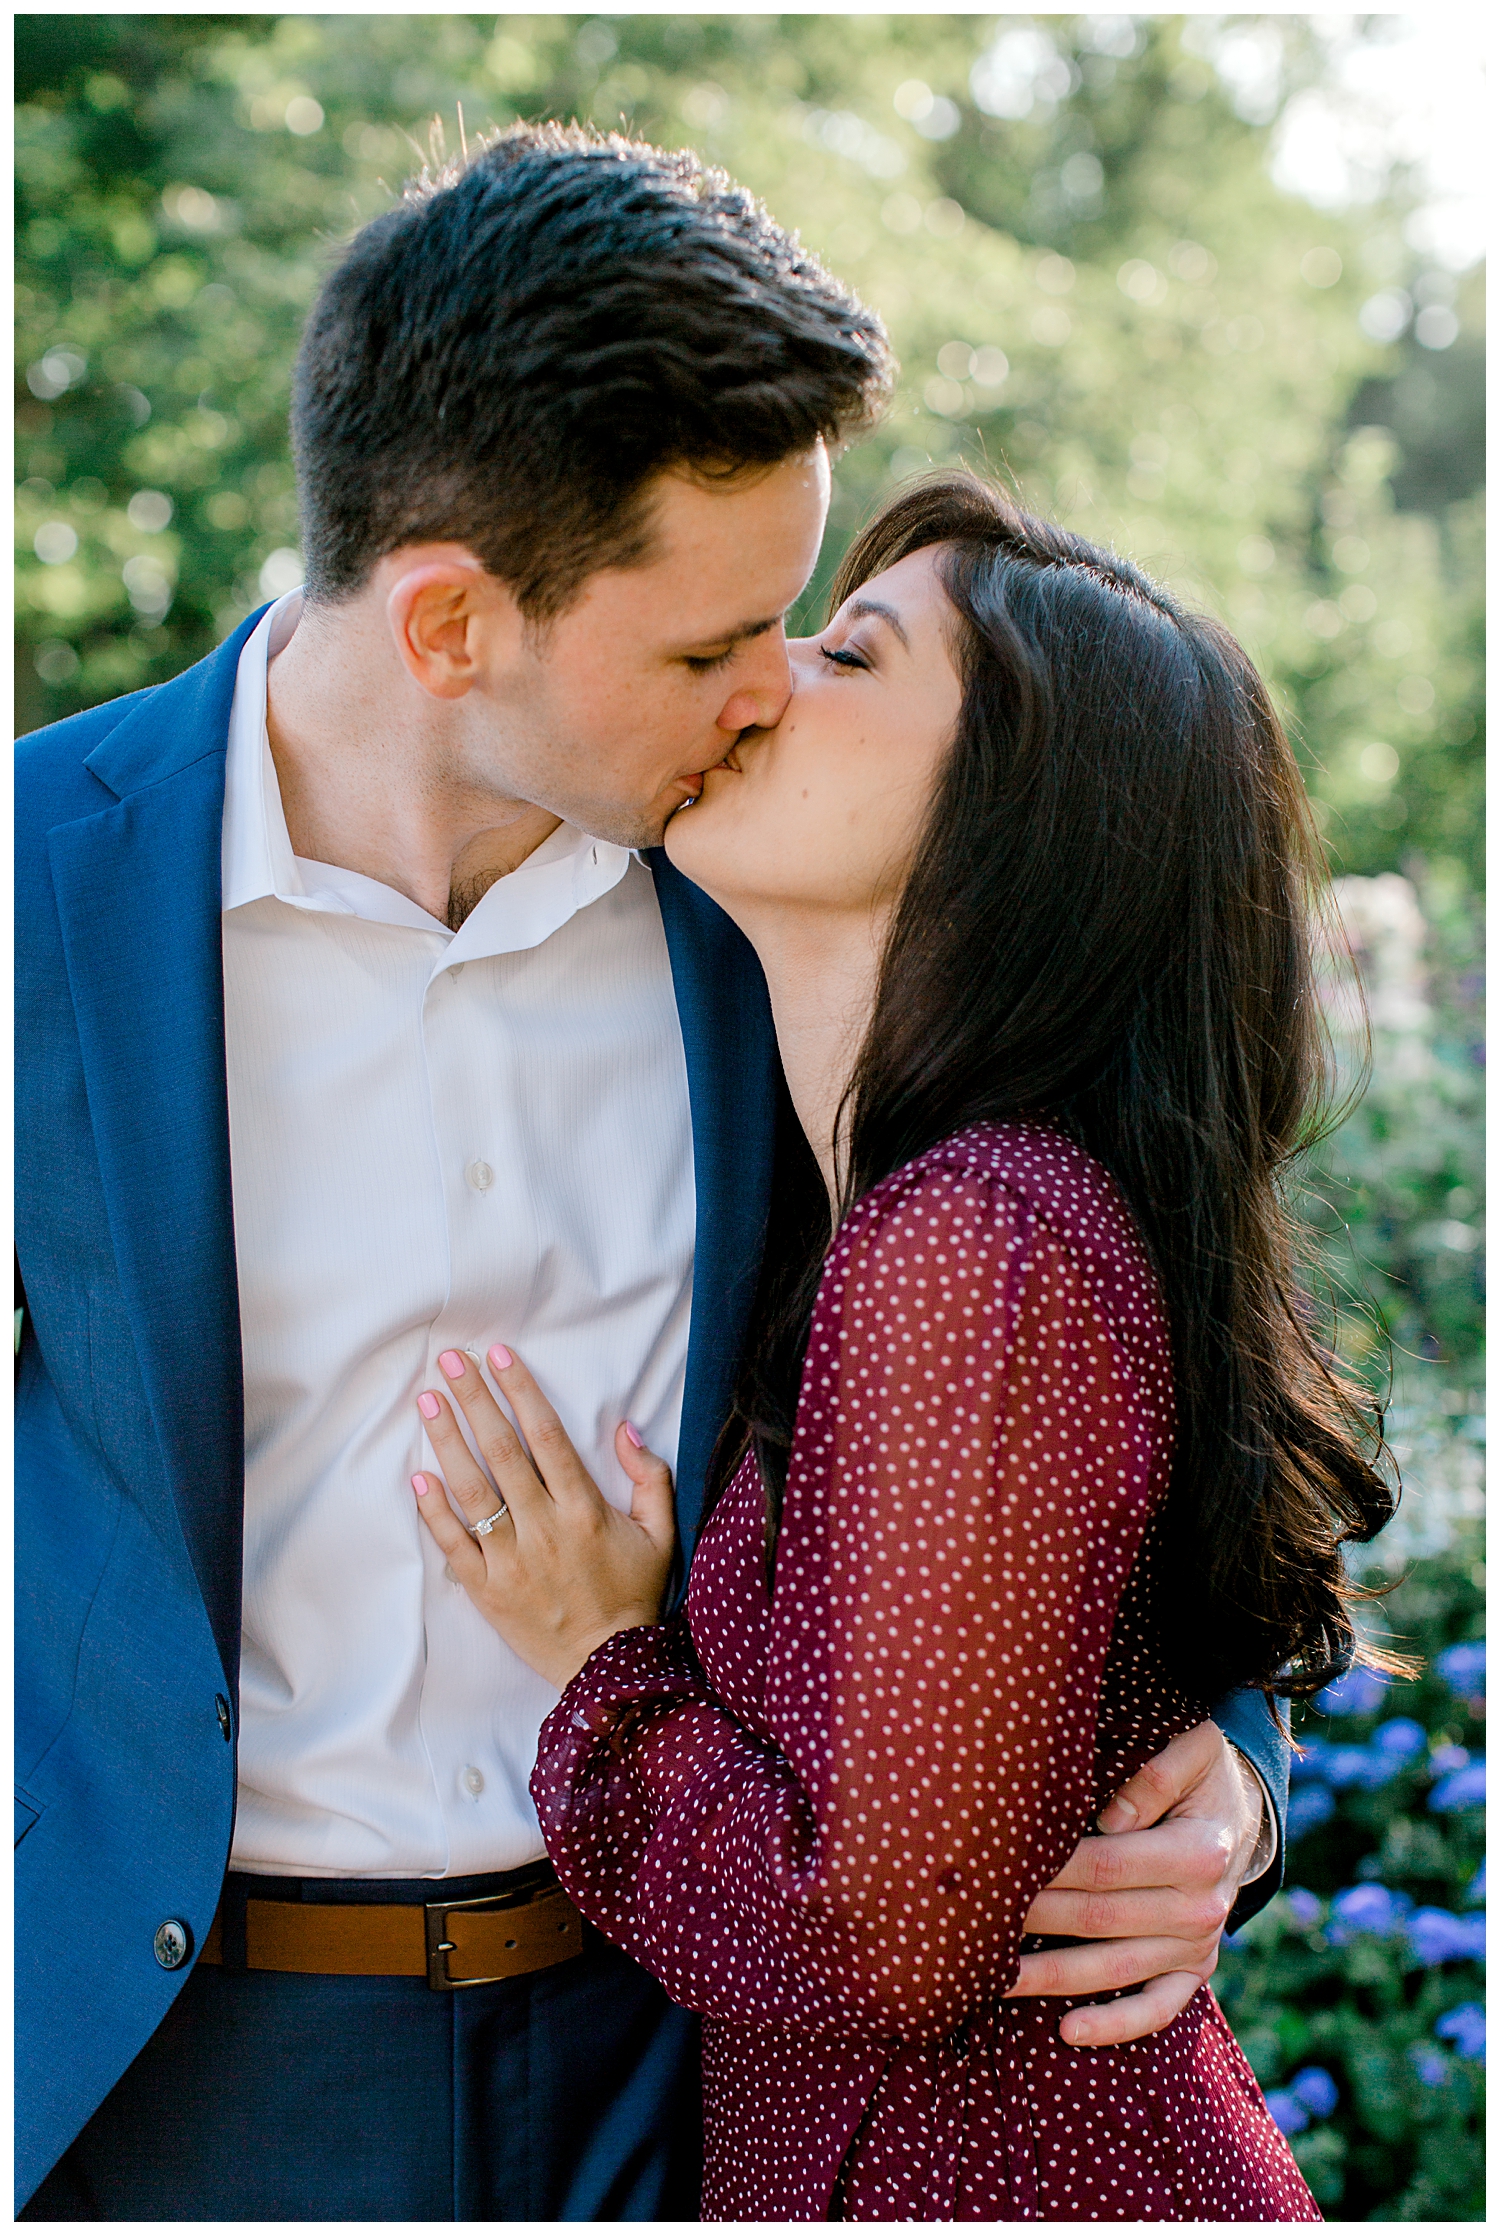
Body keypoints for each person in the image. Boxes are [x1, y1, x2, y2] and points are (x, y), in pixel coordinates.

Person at [16, 128, 1284, 2221]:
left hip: (677, 2062)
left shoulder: (772, 912)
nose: (769, 686)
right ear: (450, 623)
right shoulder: (36, 895)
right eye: (712, 646)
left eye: (794, 621)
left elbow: (1129, 1327)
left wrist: (1226, 1759)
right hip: (173, 2079)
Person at [406, 473, 1396, 2219]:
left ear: (1018, 820)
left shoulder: (981, 1241)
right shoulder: (908, 1198)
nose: (766, 673)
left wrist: (598, 1664)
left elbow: (872, 1944)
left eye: (852, 654)